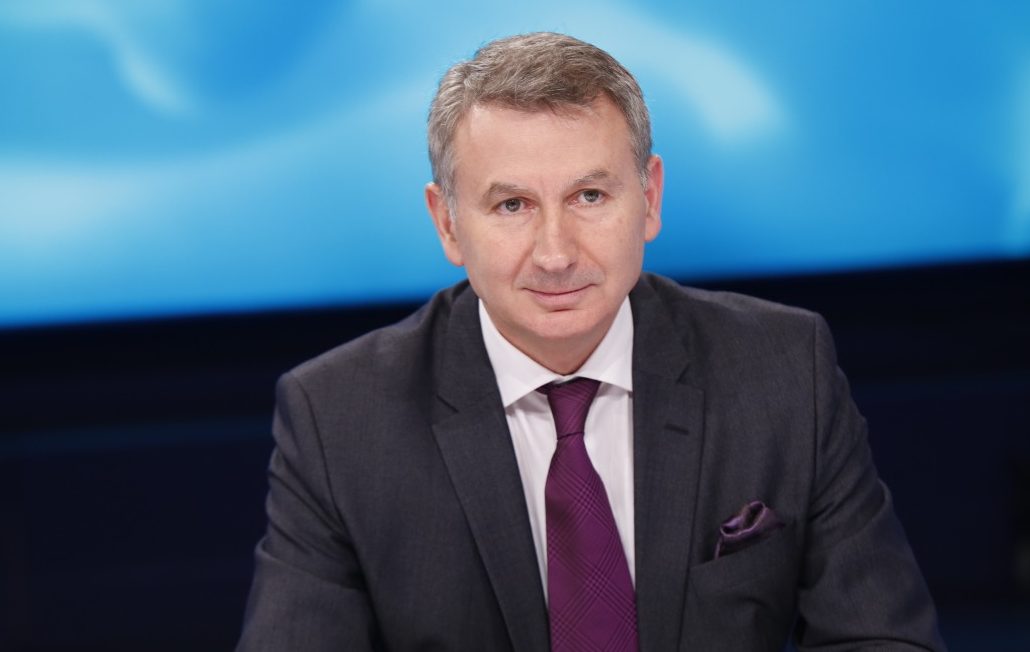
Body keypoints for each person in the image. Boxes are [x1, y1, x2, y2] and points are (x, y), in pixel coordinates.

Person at [237, 32, 945, 651]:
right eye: (512, 205)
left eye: (589, 196)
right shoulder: (339, 417)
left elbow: (880, 637)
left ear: (650, 198)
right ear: (447, 223)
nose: (555, 254)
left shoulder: (783, 368)